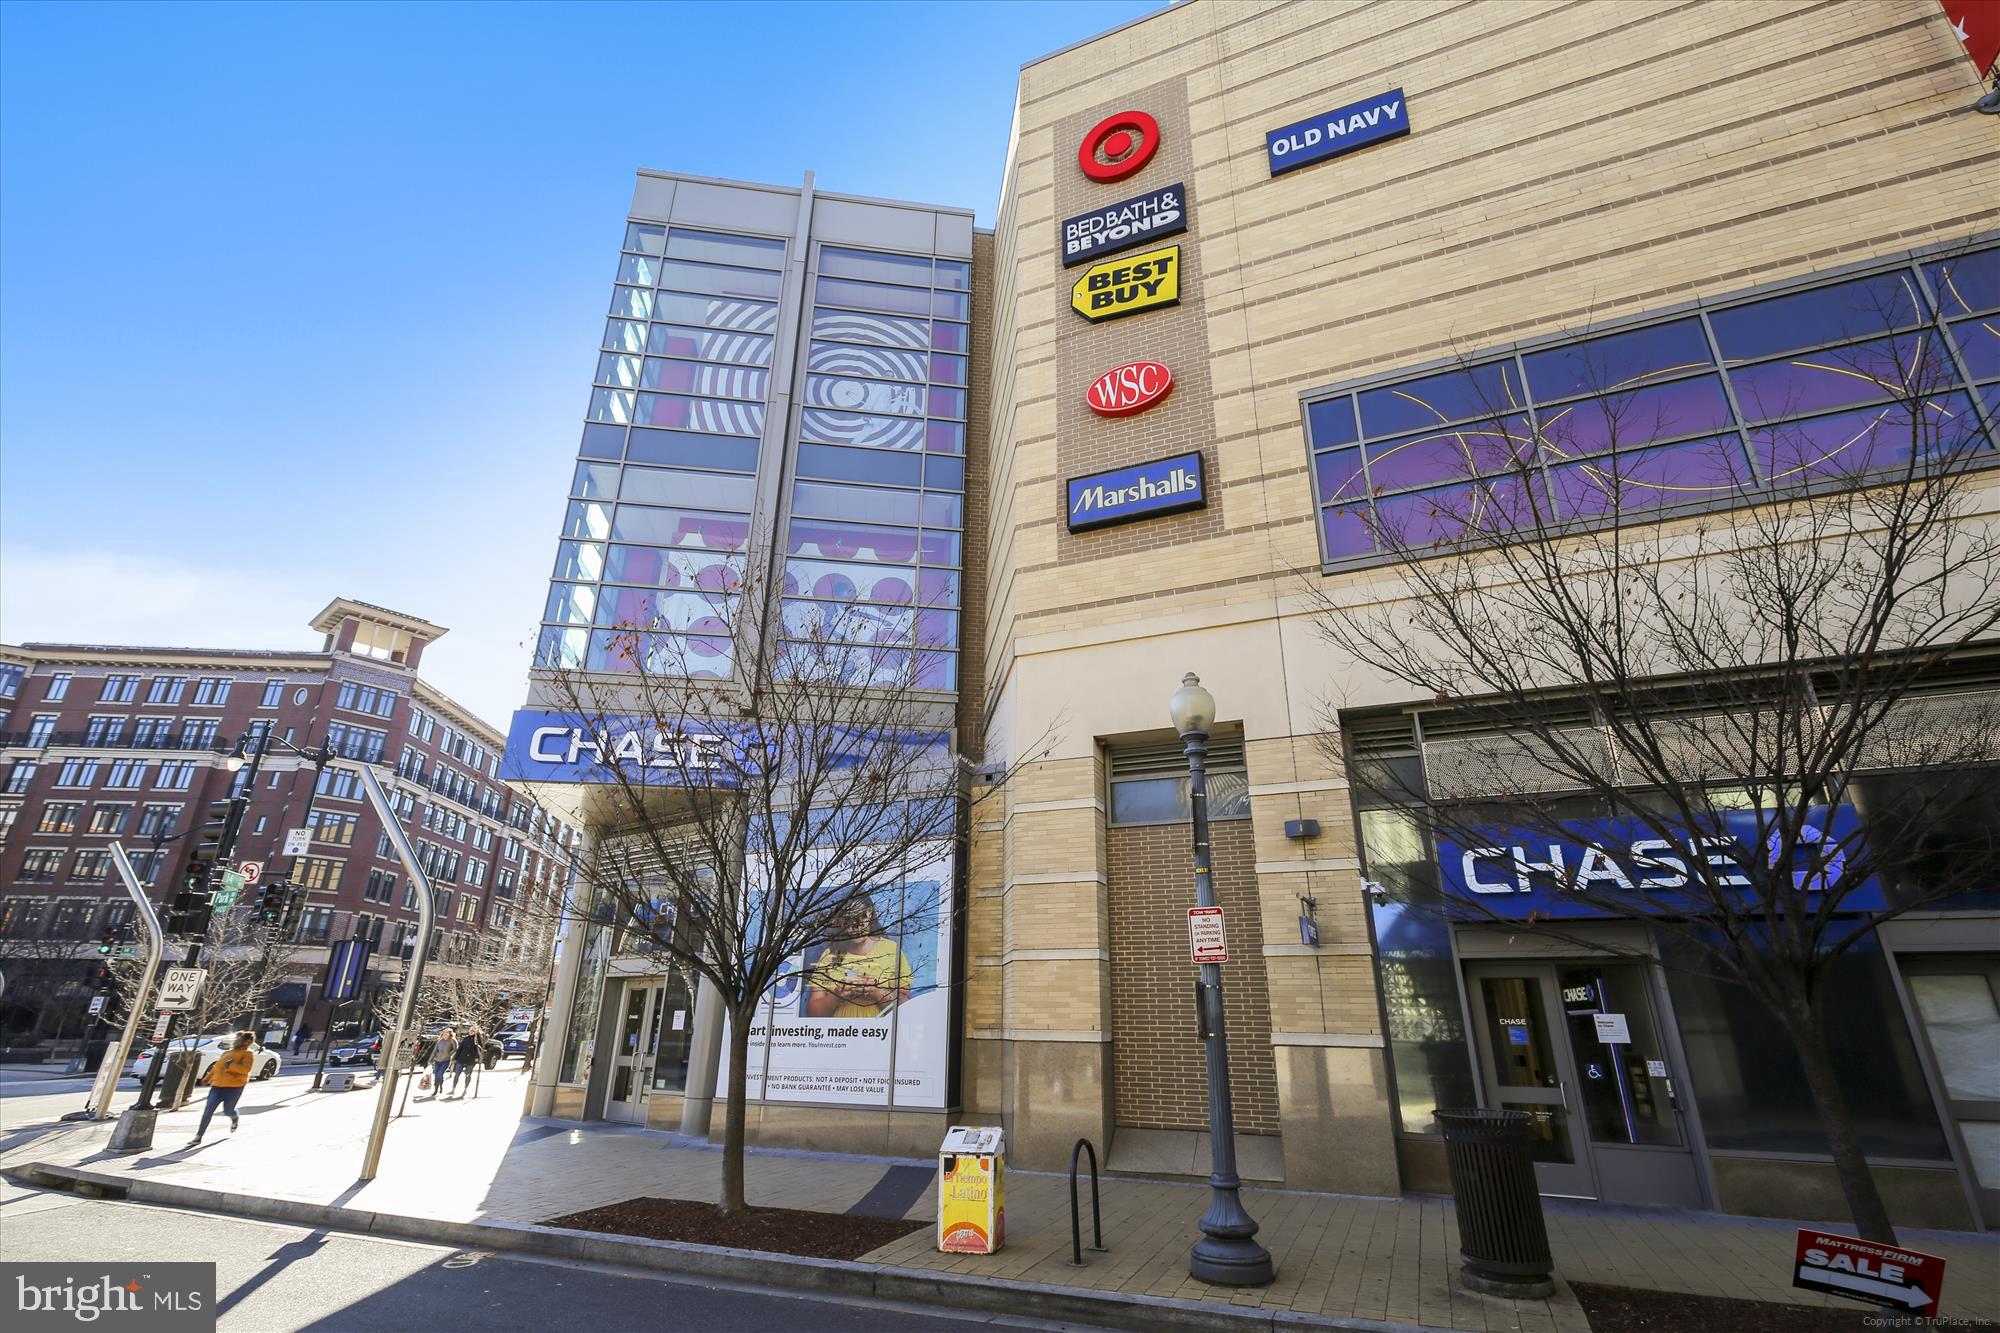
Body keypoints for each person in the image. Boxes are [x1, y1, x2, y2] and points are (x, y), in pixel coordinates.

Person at [804, 896, 912, 1018]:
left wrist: (876, 992)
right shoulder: (830, 955)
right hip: (839, 1033)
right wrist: (836, 996)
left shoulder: (892, 951)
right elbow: (813, 1014)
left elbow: (906, 1008)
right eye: (848, 923)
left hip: (878, 1033)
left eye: (860, 921)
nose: (854, 929)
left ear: (870, 913)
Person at [188, 1032, 257, 1145]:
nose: (236, 1041)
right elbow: (217, 1068)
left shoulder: (248, 1054)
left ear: (247, 1042)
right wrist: (207, 1078)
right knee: (208, 1111)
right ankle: (198, 1136)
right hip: (217, 1086)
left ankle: (234, 1117)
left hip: (234, 1088)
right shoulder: (227, 1053)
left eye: (239, 1039)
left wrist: (231, 1066)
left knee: (228, 1110)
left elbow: (246, 1070)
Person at [449, 1027, 482, 1096]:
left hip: (471, 1060)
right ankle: (453, 1089)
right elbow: (460, 1048)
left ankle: (465, 1089)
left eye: (473, 1031)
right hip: (461, 1059)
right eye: (470, 1030)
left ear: (476, 1032)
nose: (471, 1032)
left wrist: (477, 1058)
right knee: (457, 1074)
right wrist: (455, 1057)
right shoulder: (465, 1038)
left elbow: (479, 1050)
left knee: (468, 1075)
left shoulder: (478, 1039)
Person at [426, 1028, 455, 1095]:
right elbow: (434, 1051)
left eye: (447, 1033)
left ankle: (441, 1086)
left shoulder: (452, 1040)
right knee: (436, 1075)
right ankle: (436, 1089)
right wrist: (430, 1060)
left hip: (446, 1061)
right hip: (437, 1060)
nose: (446, 1034)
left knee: (440, 1074)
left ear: (450, 1034)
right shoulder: (440, 1041)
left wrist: (449, 1054)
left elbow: (455, 1049)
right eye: (445, 1032)